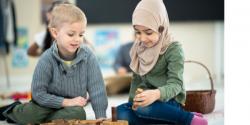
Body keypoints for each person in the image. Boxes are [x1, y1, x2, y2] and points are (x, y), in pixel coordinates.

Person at [0, 4, 108, 125]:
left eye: (81, 34)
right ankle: (13, 110)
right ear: (55, 33)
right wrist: (66, 102)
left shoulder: (89, 56)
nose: (77, 39)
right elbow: (38, 94)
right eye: (71, 34)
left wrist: (101, 116)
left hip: (70, 108)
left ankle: (47, 120)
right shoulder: (46, 58)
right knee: (31, 115)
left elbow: (97, 89)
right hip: (44, 104)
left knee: (79, 114)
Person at [116, 0, 208, 125]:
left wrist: (156, 94)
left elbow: (176, 85)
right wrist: (133, 103)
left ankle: (187, 119)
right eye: (138, 32)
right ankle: (169, 119)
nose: (142, 39)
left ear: (161, 27)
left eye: (148, 32)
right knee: (121, 112)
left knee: (144, 109)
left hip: (169, 100)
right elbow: (136, 79)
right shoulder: (138, 47)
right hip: (148, 102)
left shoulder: (174, 49)